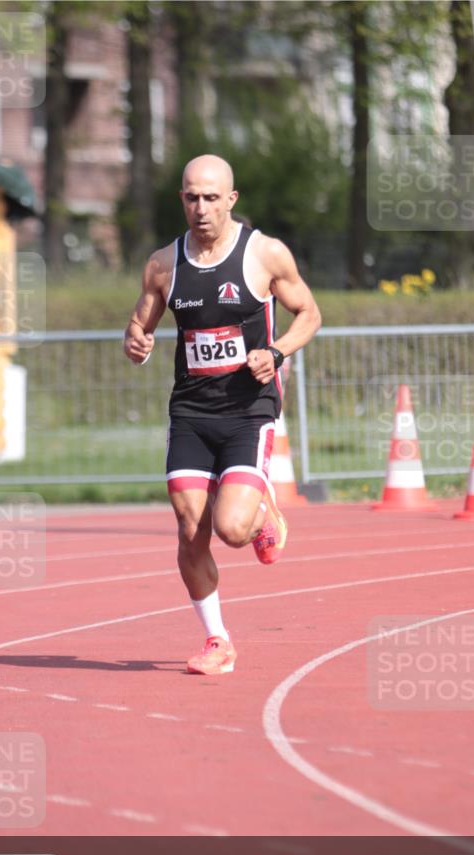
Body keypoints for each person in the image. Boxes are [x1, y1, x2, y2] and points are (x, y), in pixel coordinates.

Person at [124, 154, 321, 676]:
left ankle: (263, 514)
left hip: (248, 411)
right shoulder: (163, 264)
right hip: (190, 411)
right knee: (191, 528)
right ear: (181, 200)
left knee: (231, 530)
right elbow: (139, 324)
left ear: (231, 200)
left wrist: (276, 351)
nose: (201, 208)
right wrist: (136, 341)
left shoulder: (264, 255)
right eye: (191, 197)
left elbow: (311, 312)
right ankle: (217, 641)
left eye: (212, 198)